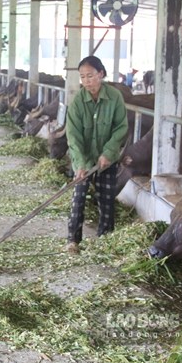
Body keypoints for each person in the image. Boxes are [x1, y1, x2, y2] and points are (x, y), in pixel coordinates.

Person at [64, 56, 129, 255]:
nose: (86, 81)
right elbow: (73, 135)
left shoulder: (115, 97)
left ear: (101, 74)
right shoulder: (78, 101)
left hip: (106, 161)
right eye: (82, 77)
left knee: (107, 200)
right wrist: (81, 164)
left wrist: (109, 153)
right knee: (78, 198)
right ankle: (73, 241)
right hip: (83, 160)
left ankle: (105, 240)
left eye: (90, 76)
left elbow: (121, 127)